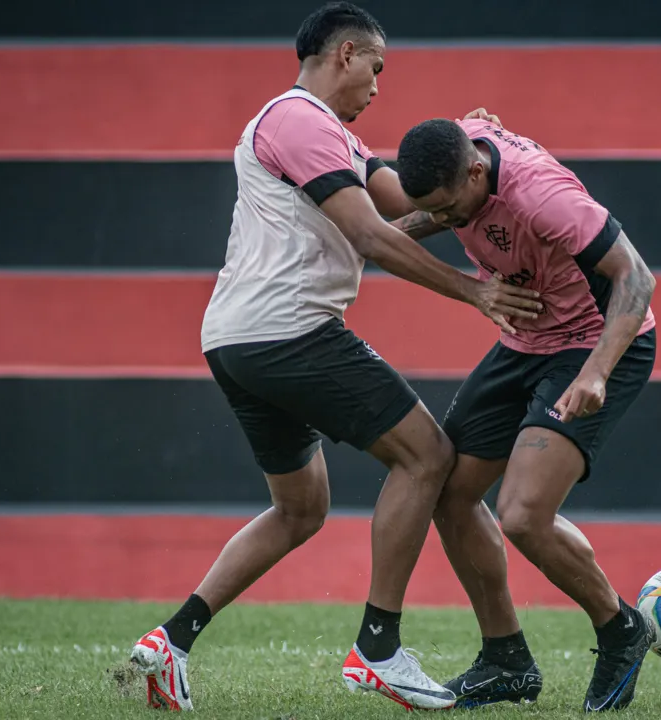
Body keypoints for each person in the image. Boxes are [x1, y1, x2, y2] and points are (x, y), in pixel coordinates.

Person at [125, 3, 541, 712]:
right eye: (376, 68)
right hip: (289, 332)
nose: (378, 87)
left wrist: (478, 148)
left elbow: (415, 204)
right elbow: (375, 241)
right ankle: (379, 648)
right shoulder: (297, 120)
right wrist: (475, 292)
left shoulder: (332, 141)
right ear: (345, 52)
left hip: (241, 340)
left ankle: (171, 642)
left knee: (300, 508)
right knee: (428, 457)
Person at [393, 117, 659, 712]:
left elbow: (636, 278)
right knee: (448, 492)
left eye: (451, 209)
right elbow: (465, 154)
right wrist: (369, 233)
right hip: (527, 339)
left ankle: (621, 629)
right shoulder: (459, 154)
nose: (447, 221)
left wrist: (595, 372)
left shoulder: (543, 198)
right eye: (433, 211)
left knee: (521, 516)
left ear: (476, 171)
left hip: (596, 345)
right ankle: (505, 660)